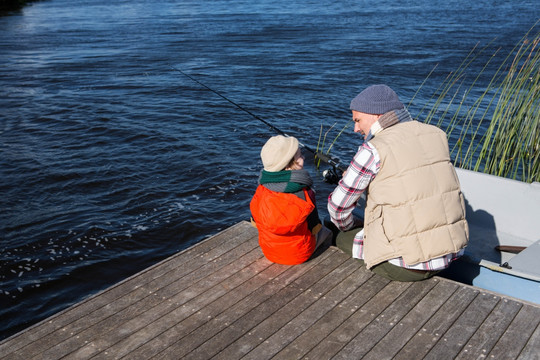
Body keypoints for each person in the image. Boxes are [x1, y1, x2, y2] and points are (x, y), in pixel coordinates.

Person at [327, 84, 469, 281]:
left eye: (358, 120)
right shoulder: (436, 134)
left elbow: (337, 207)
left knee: (337, 232)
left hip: (406, 266)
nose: (355, 128)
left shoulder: (373, 148)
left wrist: (351, 225)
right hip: (448, 257)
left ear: (376, 115)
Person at [250, 135, 332, 265]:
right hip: (299, 255)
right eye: (300, 156)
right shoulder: (305, 192)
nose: (304, 158)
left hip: (269, 252)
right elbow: (314, 227)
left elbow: (255, 221)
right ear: (288, 166)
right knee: (327, 231)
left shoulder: (261, 188)